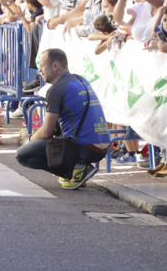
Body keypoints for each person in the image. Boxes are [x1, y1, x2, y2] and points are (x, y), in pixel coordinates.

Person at [16, 48, 110, 189]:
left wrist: (28, 140)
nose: (39, 71)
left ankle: (74, 170)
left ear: (55, 66)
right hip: (103, 146)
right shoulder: (81, 80)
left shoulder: (56, 89)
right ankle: (79, 167)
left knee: (23, 154)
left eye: (42, 65)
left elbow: (46, 132)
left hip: (85, 148)